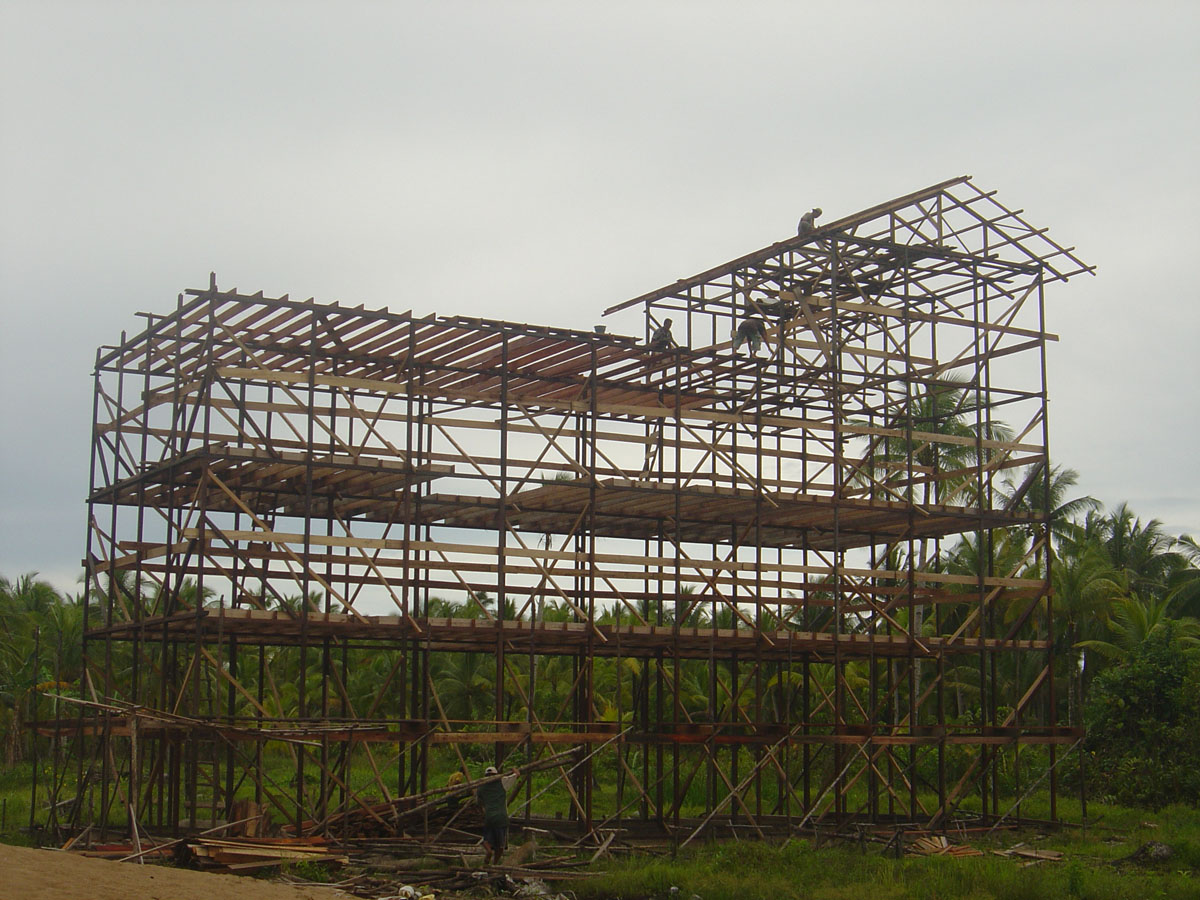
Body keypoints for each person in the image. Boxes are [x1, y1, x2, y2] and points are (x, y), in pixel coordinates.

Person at [476, 765, 519, 865]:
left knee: (486, 840)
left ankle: (489, 851)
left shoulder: (481, 787)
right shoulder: (502, 782)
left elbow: (479, 802)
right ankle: (495, 864)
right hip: (501, 818)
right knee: (500, 845)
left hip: (489, 817)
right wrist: (513, 769)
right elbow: (517, 774)